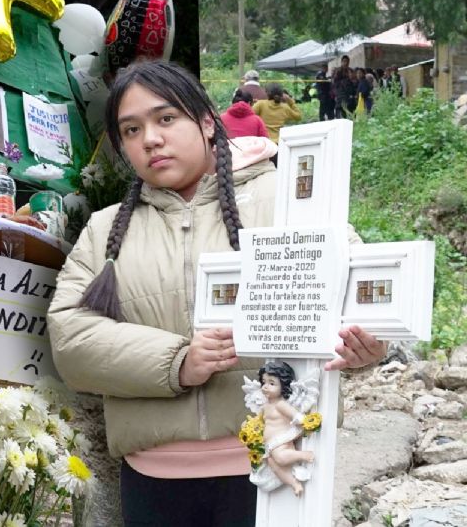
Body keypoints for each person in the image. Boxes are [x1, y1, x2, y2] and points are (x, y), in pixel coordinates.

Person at [47, 60, 385, 527]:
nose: (150, 139)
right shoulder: (106, 230)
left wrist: (370, 343)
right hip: (153, 482)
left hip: (276, 466)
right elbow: (70, 340)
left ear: (207, 122)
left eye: (166, 119)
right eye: (131, 129)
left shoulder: (289, 199)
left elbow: (363, 294)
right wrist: (178, 361)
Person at [252, 361, 315, 497]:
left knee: (280, 458)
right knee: (274, 465)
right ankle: (294, 483)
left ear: (284, 386)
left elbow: (297, 415)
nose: (265, 387)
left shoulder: (281, 405)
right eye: (264, 382)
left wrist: (304, 421)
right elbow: (258, 421)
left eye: (272, 383)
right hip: (270, 444)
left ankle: (304, 455)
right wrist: (251, 428)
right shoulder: (265, 406)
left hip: (282, 439)